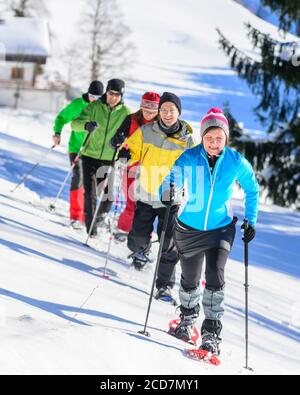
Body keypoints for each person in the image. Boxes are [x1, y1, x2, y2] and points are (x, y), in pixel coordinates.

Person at [160, 107, 259, 355]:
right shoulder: (189, 157)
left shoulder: (236, 161)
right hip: (189, 227)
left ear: (226, 138)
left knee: (215, 276)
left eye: (219, 138)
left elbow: (252, 190)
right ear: (202, 137)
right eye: (209, 138)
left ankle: (211, 333)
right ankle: (186, 320)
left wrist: (251, 219)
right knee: (189, 279)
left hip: (220, 228)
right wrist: (168, 192)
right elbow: (170, 179)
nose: (214, 143)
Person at [122, 92, 194, 303]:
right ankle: (140, 252)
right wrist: (126, 154)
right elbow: (132, 148)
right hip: (145, 194)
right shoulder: (146, 131)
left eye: (171, 110)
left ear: (178, 112)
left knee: (169, 244)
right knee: (136, 237)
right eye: (163, 110)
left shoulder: (188, 140)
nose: (167, 114)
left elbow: (196, 166)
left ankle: (164, 287)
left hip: (171, 198)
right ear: (159, 112)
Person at [71, 79, 131, 236]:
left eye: (117, 95)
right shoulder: (95, 107)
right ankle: (91, 229)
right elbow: (74, 124)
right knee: (89, 193)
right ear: (106, 92)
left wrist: (125, 147)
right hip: (89, 156)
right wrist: (86, 126)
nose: (113, 97)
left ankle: (99, 217)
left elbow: (133, 136)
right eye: (111, 93)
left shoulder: (126, 113)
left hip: (109, 158)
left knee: (109, 196)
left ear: (121, 96)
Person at [52, 80, 104, 229]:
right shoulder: (77, 105)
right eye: (92, 95)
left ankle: (91, 216)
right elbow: (62, 117)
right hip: (76, 148)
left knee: (94, 183)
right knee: (78, 177)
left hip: (94, 151)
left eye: (98, 96)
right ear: (88, 93)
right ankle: (76, 215)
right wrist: (57, 133)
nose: (94, 99)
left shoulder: (102, 107)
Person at [111, 92, 160, 239]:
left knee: (146, 205)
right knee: (132, 202)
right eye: (146, 110)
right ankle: (123, 229)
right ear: (141, 107)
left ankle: (144, 234)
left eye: (153, 111)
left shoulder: (161, 125)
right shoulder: (131, 119)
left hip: (151, 170)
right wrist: (119, 143)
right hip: (131, 166)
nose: (149, 114)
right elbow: (114, 142)